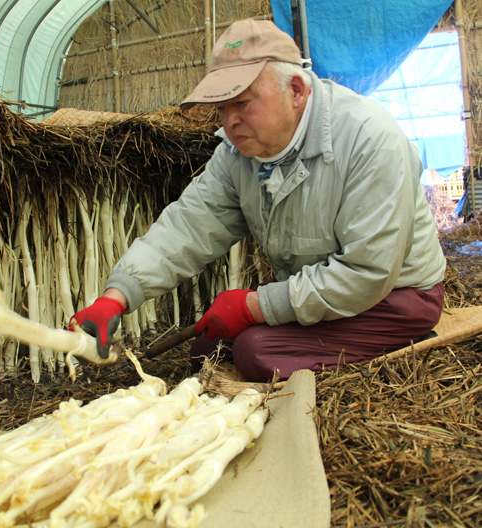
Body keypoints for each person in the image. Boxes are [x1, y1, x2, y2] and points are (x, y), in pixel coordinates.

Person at [69, 18, 446, 382]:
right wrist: (117, 296)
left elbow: (367, 273)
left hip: (393, 297)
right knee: (206, 350)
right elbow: (188, 225)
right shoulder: (238, 155)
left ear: (296, 90)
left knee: (255, 352)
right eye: (221, 108)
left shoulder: (368, 139)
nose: (229, 121)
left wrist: (254, 306)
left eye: (243, 103)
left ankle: (401, 339)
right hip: (318, 291)